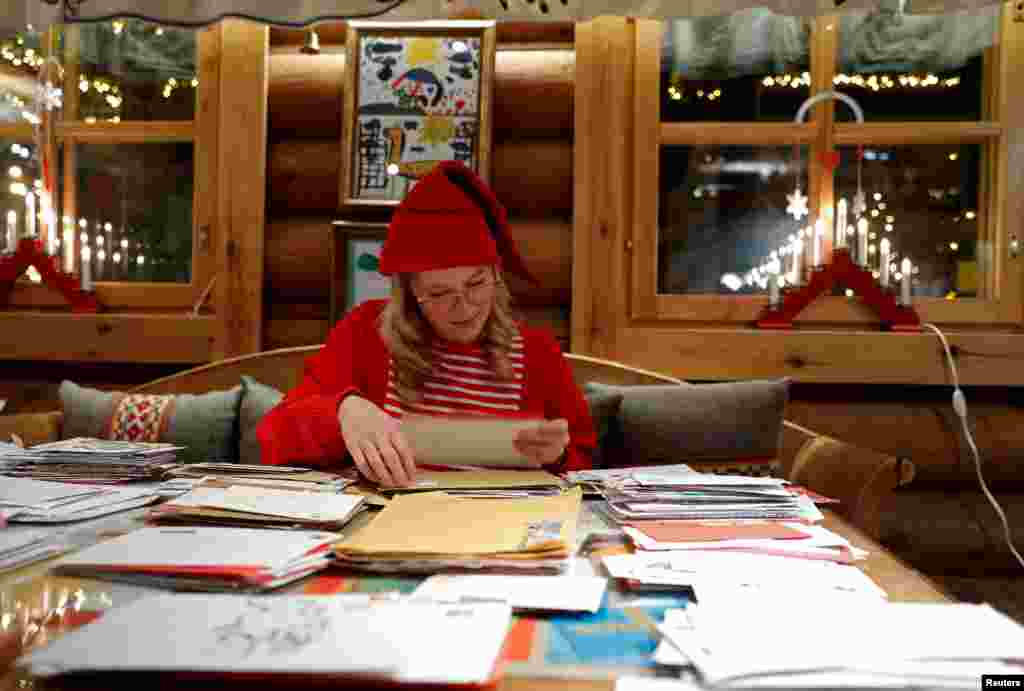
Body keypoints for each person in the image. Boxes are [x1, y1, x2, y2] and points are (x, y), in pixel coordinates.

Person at [257, 161, 595, 485]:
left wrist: (558, 455)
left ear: (496, 274)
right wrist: (343, 411)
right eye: (438, 292)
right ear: (410, 294)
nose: (463, 306)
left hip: (502, 530)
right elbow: (275, 438)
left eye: (476, 283)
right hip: (389, 526)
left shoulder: (538, 352)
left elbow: (584, 464)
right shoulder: (366, 332)